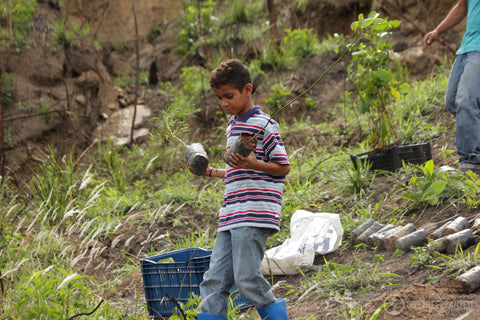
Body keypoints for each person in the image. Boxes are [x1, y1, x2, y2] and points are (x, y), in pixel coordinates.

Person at [186, 59, 290, 320]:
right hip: (231, 214)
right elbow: (239, 170)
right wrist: (209, 171)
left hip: (253, 212)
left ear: (247, 89)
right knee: (214, 280)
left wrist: (252, 162)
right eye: (219, 98)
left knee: (246, 277)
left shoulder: (265, 124)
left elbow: (282, 166)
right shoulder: (233, 125)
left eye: (229, 96)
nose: (223, 103)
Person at [424, 0, 480, 173]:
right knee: (452, 101)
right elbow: (462, 6)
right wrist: (437, 31)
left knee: (466, 101)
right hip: (467, 47)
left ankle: (471, 163)